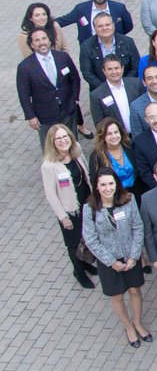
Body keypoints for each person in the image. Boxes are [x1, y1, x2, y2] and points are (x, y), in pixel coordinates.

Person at [81, 169, 149, 347]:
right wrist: (112, 262)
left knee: (135, 290)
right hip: (108, 262)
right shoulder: (90, 208)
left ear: (116, 184)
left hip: (130, 257)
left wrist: (134, 256)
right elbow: (91, 239)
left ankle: (138, 322)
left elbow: (138, 227)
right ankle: (128, 327)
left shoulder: (129, 200)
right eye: (103, 184)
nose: (107, 188)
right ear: (96, 186)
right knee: (117, 296)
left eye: (110, 183)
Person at [41, 124, 96, 289]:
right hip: (69, 209)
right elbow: (51, 194)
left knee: (86, 236)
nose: (63, 141)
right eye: (58, 138)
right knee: (74, 243)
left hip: (86, 202)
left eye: (65, 137)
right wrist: (63, 217)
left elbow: (86, 171)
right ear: (52, 142)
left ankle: (86, 263)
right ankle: (78, 272)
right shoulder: (49, 166)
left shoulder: (76, 149)